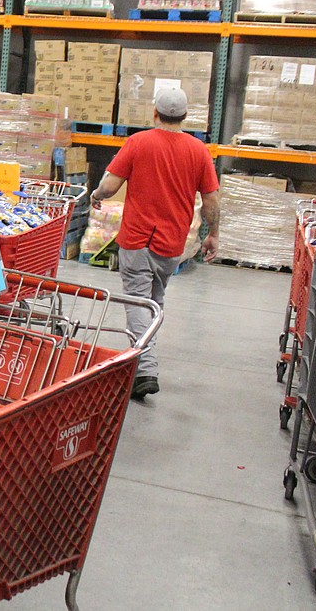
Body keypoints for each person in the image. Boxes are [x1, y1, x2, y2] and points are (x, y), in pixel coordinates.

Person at [89, 86, 219, 401]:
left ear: (155, 113)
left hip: (137, 238)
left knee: (137, 302)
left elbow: (111, 184)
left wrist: (96, 195)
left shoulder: (138, 143)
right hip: (171, 243)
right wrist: (213, 233)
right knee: (155, 302)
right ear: (186, 116)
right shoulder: (199, 151)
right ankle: (143, 359)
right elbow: (211, 201)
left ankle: (145, 369)